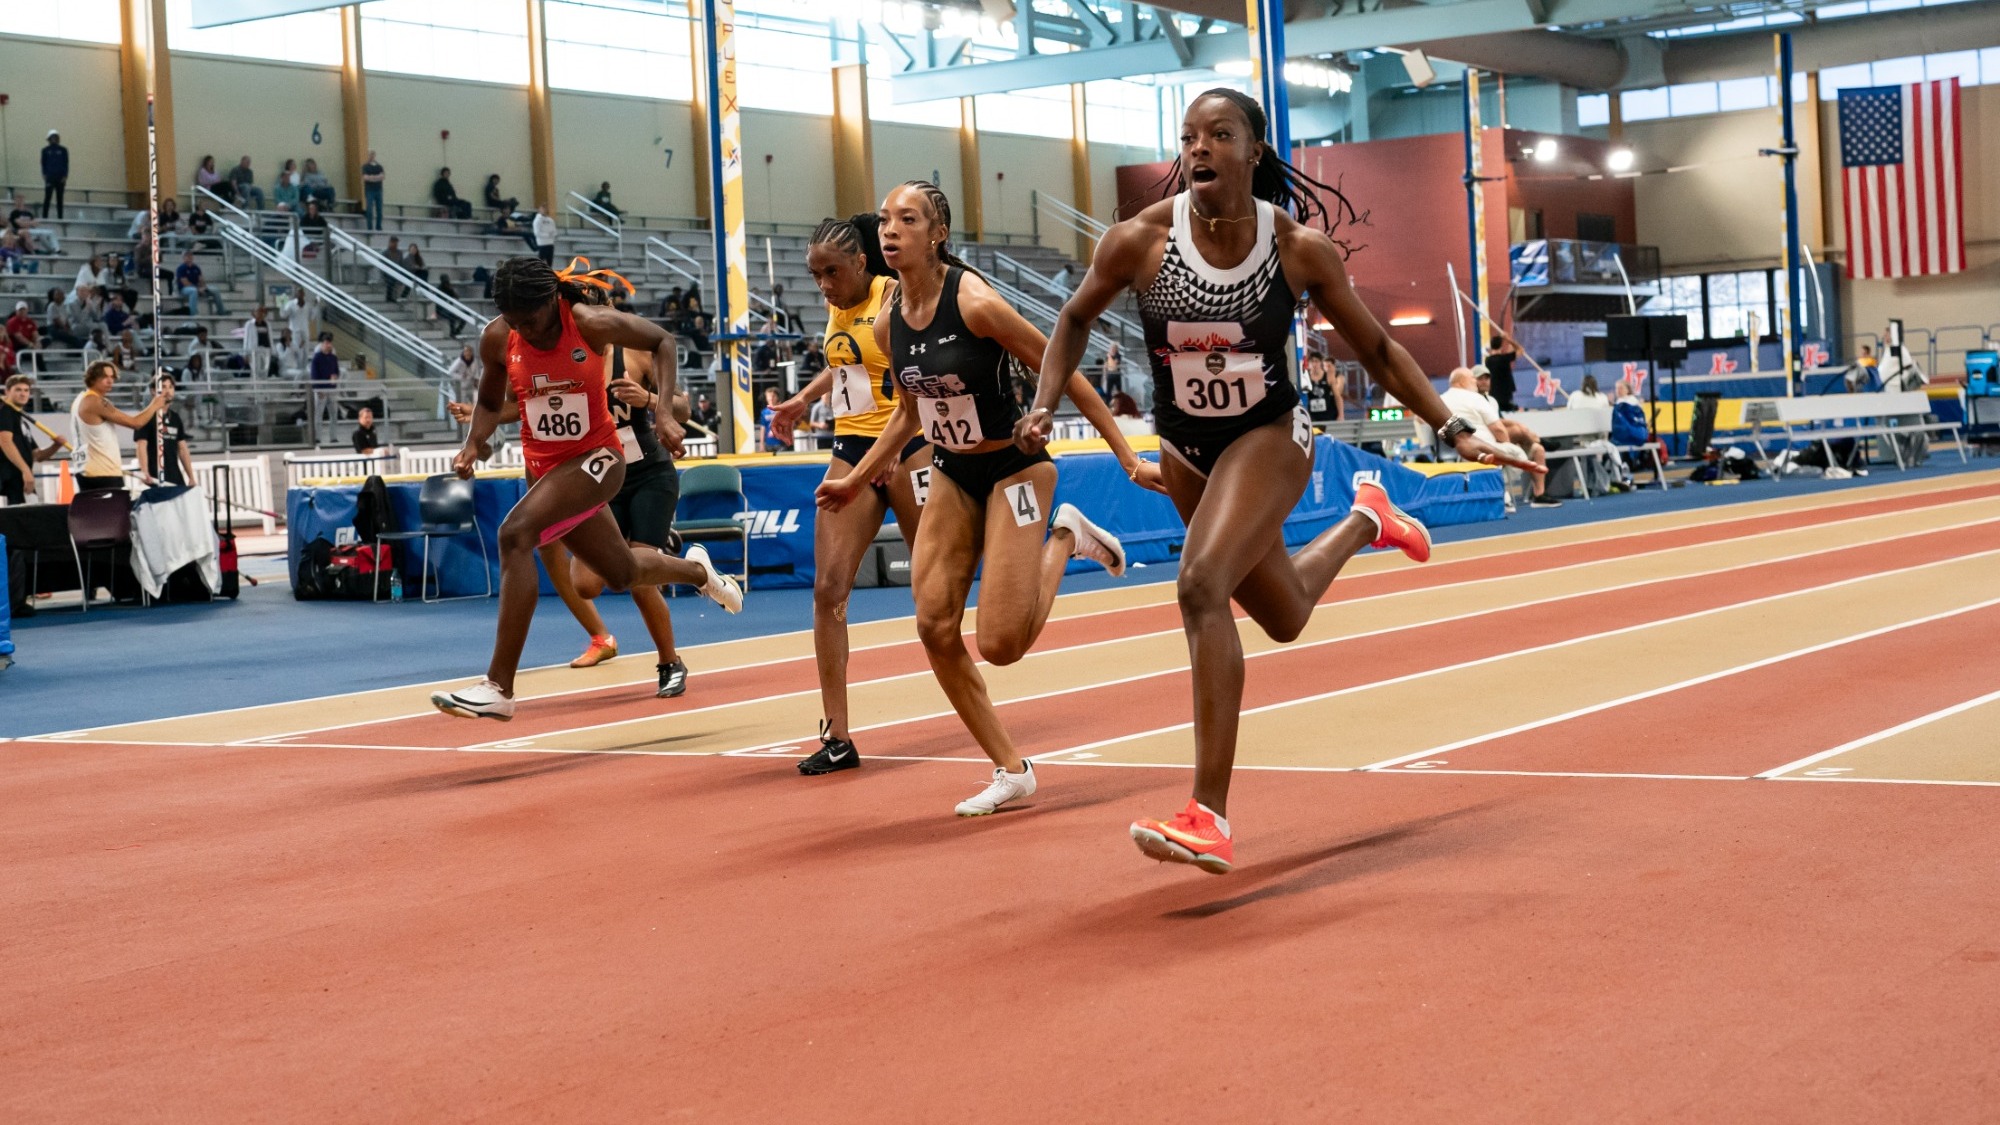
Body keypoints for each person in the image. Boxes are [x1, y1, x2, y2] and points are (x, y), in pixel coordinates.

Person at [1026, 88, 1539, 873]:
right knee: (1284, 613)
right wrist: (1042, 401)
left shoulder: (1296, 249)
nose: (1198, 149)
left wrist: (1454, 425)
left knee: (1200, 585)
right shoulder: (1139, 243)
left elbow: (1377, 350)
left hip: (1268, 435)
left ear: (1253, 151)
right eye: (1189, 136)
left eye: (1219, 135)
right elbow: (1071, 319)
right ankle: (1370, 516)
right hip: (1187, 448)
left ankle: (1209, 813)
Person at [816, 181, 1145, 816]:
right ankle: (1011, 769)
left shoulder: (974, 302)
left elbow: (1063, 366)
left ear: (936, 233)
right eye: (884, 219)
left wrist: (1127, 455)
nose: (889, 230)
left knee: (1000, 644)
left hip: (1014, 471)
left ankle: (1067, 537)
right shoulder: (889, 324)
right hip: (951, 471)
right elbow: (909, 414)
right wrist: (858, 480)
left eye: (906, 219)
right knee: (934, 625)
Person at [429, 256, 742, 721]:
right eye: (515, 323)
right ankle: (699, 573)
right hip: (546, 469)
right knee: (620, 574)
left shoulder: (589, 323)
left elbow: (663, 340)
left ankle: (498, 686)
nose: (526, 332)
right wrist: (474, 444)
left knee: (515, 535)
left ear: (552, 301)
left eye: (532, 321)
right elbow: (491, 401)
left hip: (599, 459)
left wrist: (661, 414)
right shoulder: (500, 336)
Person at [761, 215, 929, 772]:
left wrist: (885, 455)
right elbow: (847, 365)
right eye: (815, 276)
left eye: (831, 273)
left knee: (937, 590)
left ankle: (1056, 541)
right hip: (852, 448)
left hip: (908, 448)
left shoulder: (894, 296)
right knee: (827, 589)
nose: (824, 286)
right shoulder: (839, 303)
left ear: (862, 262)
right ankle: (838, 735)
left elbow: (913, 375)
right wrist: (802, 399)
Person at [1442, 366, 1556, 509]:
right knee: (1517, 444)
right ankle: (1502, 493)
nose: (1476, 382)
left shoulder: (1440, 400)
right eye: (1473, 378)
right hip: (1483, 448)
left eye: (1485, 378)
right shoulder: (1475, 398)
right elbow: (1498, 429)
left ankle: (1533, 492)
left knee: (1524, 435)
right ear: (1460, 382)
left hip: (1453, 449)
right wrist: (1507, 445)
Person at [71, 359, 167, 491]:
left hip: (86, 470)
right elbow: (136, 423)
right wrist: (155, 405)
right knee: (114, 511)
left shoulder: (80, 399)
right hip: (102, 473)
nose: (110, 381)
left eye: (112, 377)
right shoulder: (96, 402)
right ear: (92, 378)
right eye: (105, 377)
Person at [1, 374, 70, 504]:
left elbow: (37, 456)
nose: (23, 394)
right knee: (17, 520)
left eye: (26, 390)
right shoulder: (5, 411)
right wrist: (26, 470)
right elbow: (5, 441)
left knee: (30, 517)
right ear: (7, 391)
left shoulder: (22, 421)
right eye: (18, 390)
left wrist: (55, 446)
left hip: (22, 480)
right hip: (8, 479)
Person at [134, 374, 194, 487]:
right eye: (163, 387)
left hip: (175, 478)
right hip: (154, 478)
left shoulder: (175, 418)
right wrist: (144, 471)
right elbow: (141, 446)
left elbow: (182, 449)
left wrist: (191, 477)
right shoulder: (145, 417)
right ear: (153, 391)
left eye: (170, 387)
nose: (168, 391)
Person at [308, 338, 341, 438]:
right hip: (321, 390)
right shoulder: (317, 358)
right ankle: (317, 437)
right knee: (319, 415)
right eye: (326, 343)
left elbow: (337, 371)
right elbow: (314, 375)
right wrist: (318, 389)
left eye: (329, 343)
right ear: (322, 345)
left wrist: (335, 376)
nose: (328, 345)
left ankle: (333, 437)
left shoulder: (333, 358)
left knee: (334, 415)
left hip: (331, 389)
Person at [1484, 334, 1519, 412]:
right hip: (1505, 392)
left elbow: (1491, 353)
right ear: (1501, 347)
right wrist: (1509, 340)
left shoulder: (1488, 360)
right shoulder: (1505, 359)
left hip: (1493, 392)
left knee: (1496, 412)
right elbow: (1520, 350)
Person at [41, 131, 68, 220]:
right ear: (49, 139)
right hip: (50, 177)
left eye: (55, 137)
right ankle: (45, 217)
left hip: (60, 178)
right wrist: (44, 174)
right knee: (47, 198)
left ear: (57, 138)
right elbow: (43, 164)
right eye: (52, 137)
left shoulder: (63, 150)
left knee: (60, 199)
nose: (53, 139)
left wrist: (65, 176)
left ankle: (60, 217)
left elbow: (66, 163)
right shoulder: (45, 150)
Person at [758, 386, 792, 452]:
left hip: (781, 442)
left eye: (773, 396)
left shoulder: (781, 410)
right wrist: (761, 444)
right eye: (769, 396)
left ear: (777, 397)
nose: (771, 398)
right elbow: (763, 428)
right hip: (769, 443)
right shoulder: (764, 412)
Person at [360, 150, 385, 230]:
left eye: (373, 155)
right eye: (370, 155)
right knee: (369, 210)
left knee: (379, 210)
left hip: (378, 190)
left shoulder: (379, 167)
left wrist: (371, 177)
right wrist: (376, 177)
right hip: (369, 190)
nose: (372, 157)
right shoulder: (365, 166)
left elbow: (382, 177)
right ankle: (369, 228)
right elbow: (365, 178)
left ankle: (378, 227)